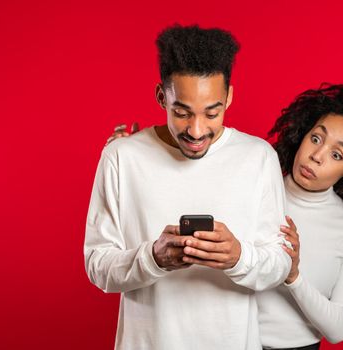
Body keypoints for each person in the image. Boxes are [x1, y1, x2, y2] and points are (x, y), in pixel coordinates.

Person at [109, 84, 343, 350]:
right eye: (316, 138)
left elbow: (339, 328)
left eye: (337, 155)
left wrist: (292, 276)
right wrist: (139, 157)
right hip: (225, 340)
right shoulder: (250, 180)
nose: (317, 155)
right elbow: (184, 199)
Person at [85, 24, 291, 350]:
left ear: (229, 98)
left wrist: (238, 257)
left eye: (212, 113)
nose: (196, 131)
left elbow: (280, 265)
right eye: (182, 112)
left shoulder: (259, 158)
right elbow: (97, 266)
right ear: (160, 97)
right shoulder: (121, 157)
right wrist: (153, 258)